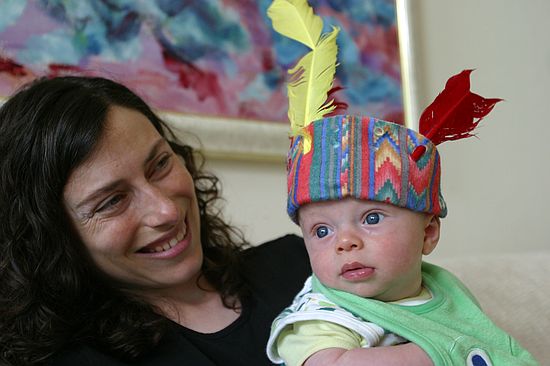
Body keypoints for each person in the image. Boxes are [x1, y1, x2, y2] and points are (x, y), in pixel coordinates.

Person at [265, 0, 538, 365]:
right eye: (321, 231)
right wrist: (436, 351)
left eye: (372, 218)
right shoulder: (323, 313)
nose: (345, 242)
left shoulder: (442, 291)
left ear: (428, 234)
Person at [0, 75, 311, 366]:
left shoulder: (304, 262)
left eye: (160, 164)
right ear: (52, 236)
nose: (167, 212)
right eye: (112, 201)